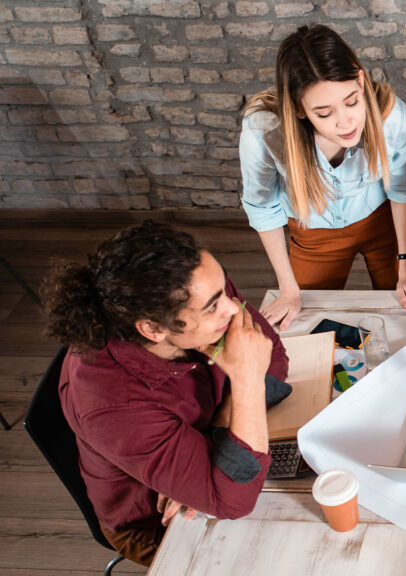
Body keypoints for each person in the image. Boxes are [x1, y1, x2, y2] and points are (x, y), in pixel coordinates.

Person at [42, 221, 291, 566]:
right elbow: (234, 500)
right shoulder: (111, 404)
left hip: (202, 478)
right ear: (153, 329)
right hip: (154, 519)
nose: (234, 310)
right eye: (214, 307)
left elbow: (272, 355)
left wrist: (213, 440)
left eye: (223, 291)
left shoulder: (202, 291)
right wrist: (246, 379)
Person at [240, 24, 406, 329]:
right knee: (304, 324)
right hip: (313, 234)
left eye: (351, 102)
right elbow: (262, 207)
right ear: (298, 108)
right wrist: (288, 289)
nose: (345, 122)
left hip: (383, 223)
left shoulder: (394, 117)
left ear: (360, 80)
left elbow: (401, 188)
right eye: (324, 113)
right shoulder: (264, 131)